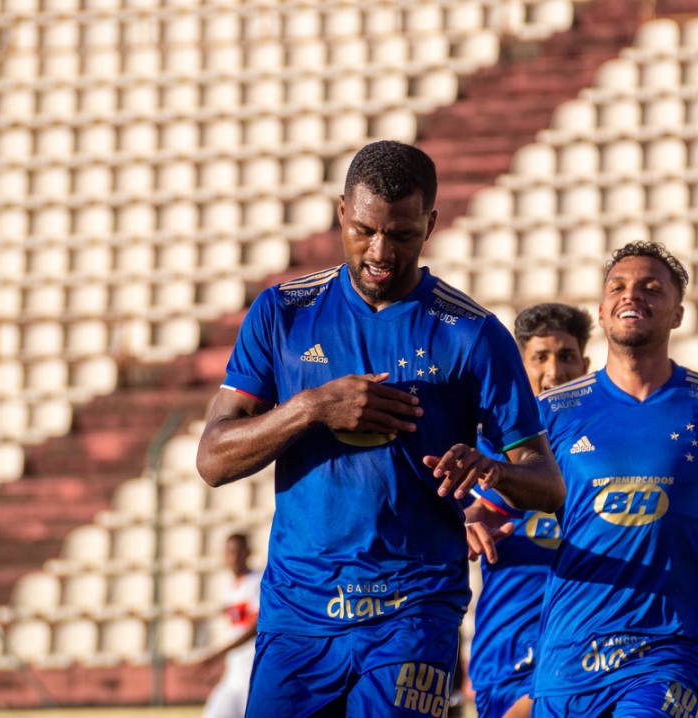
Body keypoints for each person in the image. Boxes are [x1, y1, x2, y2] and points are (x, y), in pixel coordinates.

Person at [195, 140, 565, 716]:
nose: (379, 252)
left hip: (411, 610)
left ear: (431, 224)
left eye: (401, 235)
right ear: (342, 211)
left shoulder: (472, 333)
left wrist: (489, 469)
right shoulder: (282, 313)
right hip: (298, 612)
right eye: (364, 230)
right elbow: (213, 460)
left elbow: (546, 483)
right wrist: (311, 408)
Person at [528, 241, 698, 717]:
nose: (631, 295)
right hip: (569, 653)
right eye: (618, 286)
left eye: (651, 288)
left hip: (669, 648)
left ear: (677, 313)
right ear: (600, 311)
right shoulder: (553, 411)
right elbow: (502, 496)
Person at [467, 303, 593, 718]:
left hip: (582, 642)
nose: (554, 372)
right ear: (521, 367)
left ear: (587, 364)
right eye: (540, 357)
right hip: (505, 646)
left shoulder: (608, 459)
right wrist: (464, 527)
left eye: (567, 356)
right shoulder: (486, 454)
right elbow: (457, 524)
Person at [198, 534, 262, 718]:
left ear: (248, 552)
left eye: (238, 552)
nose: (234, 557)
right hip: (234, 674)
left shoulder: (257, 582)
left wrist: (218, 654)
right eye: (230, 552)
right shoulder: (231, 587)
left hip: (253, 672)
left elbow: (255, 626)